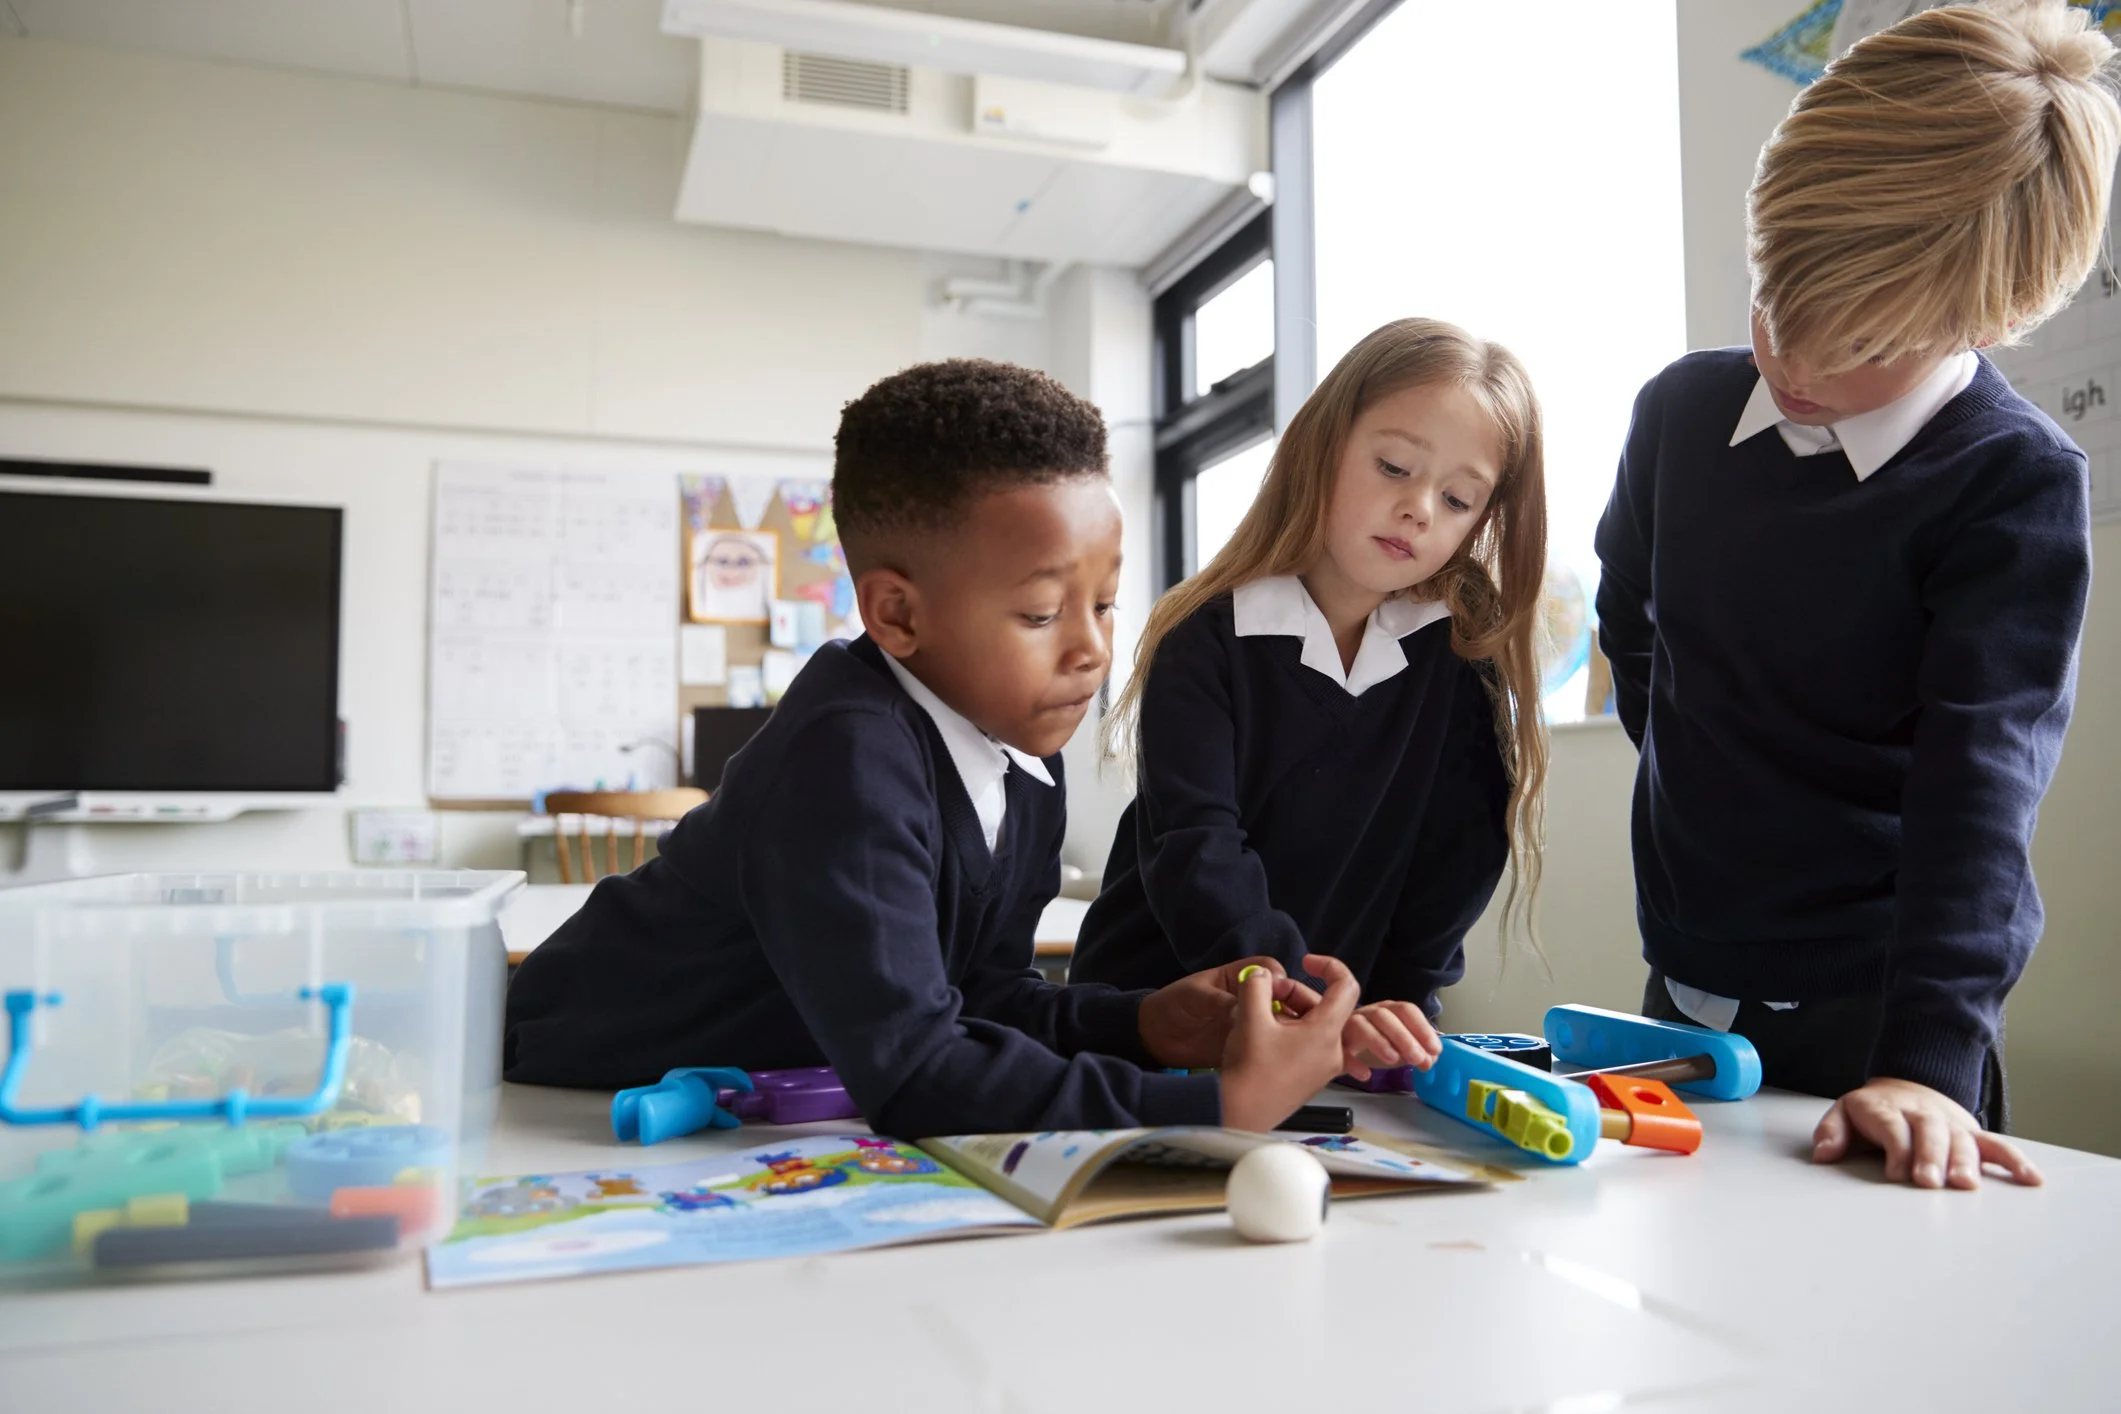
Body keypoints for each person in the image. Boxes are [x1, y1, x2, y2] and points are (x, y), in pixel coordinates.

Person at [506, 358, 1372, 1136]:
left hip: (749, 1101)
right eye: (1040, 614)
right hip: (549, 1099)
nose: (1092, 650)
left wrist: (1140, 1023)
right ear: (897, 615)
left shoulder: (1020, 751)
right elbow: (918, 1076)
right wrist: (1215, 1107)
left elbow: (978, 1001)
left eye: (1104, 603)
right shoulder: (844, 761)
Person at [1595, 0, 2119, 1189]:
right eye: (1776, 305)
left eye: (1863, 343)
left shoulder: (2013, 482)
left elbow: (1979, 794)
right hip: (1680, 982)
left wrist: (1930, 1060)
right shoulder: (1678, 415)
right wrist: (1702, 776)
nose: (1798, 364)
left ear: (1984, 317)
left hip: (1878, 1016)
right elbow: (1630, 621)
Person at [1071, 317, 1550, 1078]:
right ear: (1322, 446)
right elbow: (1197, 851)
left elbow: (1453, 864)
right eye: (1393, 466)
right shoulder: (1205, 638)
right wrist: (1305, 997)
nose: (1419, 508)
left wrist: (1394, 1008)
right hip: (1155, 1017)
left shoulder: (1462, 657)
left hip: (1335, 1038)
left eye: (1457, 499)